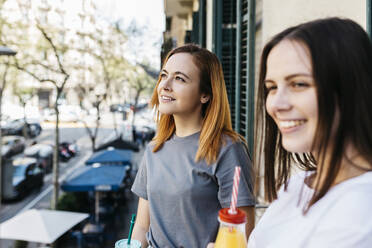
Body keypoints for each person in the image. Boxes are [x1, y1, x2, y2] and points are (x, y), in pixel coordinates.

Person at [247, 17, 372, 247]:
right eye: (272, 87)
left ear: (349, 88)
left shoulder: (361, 211)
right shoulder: (297, 184)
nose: (276, 105)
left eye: (299, 84)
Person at [131, 44, 255, 248]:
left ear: (205, 94)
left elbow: (243, 236)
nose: (165, 85)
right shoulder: (154, 148)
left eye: (179, 78)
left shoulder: (227, 149)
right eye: (164, 75)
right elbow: (143, 227)